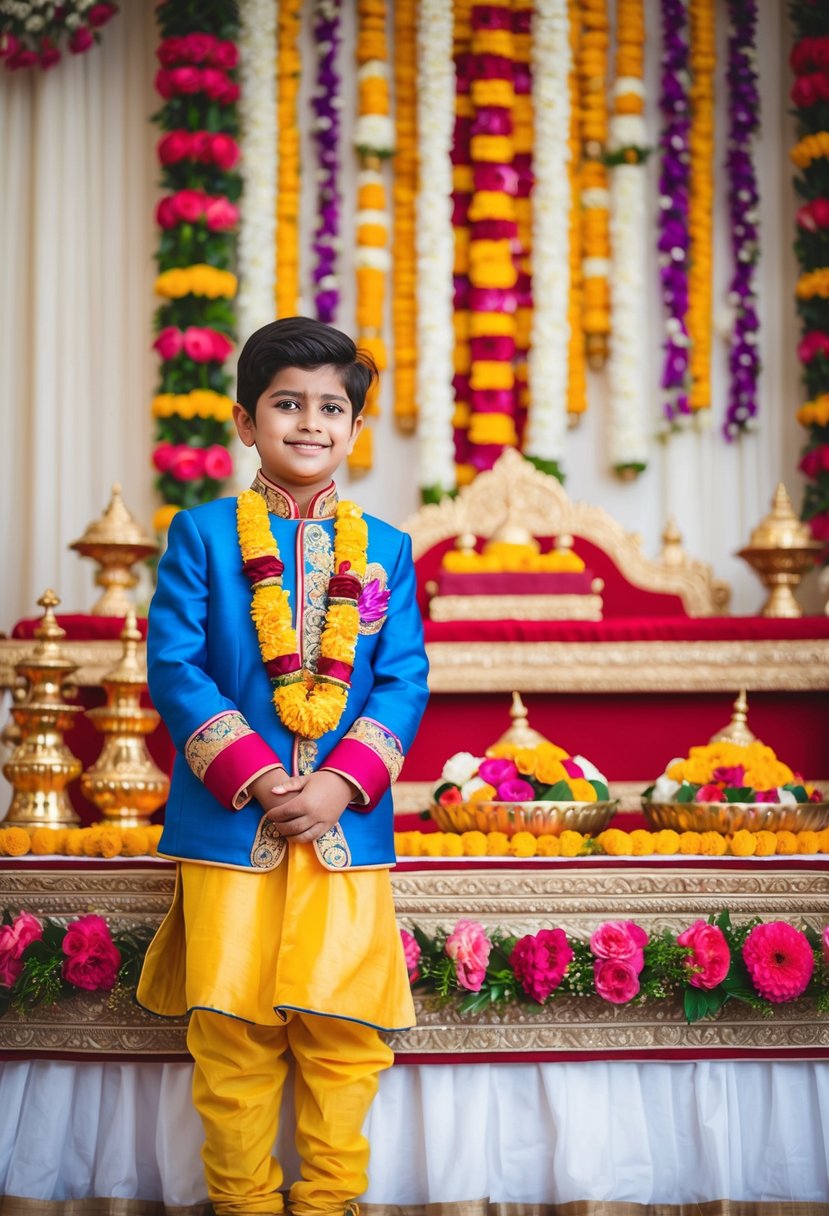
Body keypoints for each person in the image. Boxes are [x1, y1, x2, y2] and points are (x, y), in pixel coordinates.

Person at [137, 316, 430, 1216]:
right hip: (231, 826)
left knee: (344, 1024)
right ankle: (244, 1205)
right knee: (230, 1030)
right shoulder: (203, 534)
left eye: (331, 407)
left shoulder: (383, 548)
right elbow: (175, 666)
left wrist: (342, 783)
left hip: (347, 830)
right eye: (287, 403)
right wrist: (262, 777)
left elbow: (403, 676)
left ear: (353, 427)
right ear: (243, 420)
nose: (310, 422)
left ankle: (330, 1202)